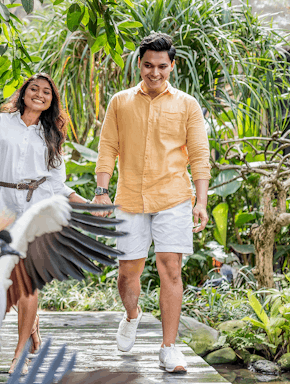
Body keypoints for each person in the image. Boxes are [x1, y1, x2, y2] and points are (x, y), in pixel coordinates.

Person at [92, 32, 211, 373]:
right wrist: (102, 192)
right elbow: (107, 149)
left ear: (172, 66)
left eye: (161, 66)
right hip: (129, 198)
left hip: (173, 196)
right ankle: (132, 315)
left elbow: (200, 156)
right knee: (128, 273)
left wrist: (200, 202)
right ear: (139, 64)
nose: (154, 72)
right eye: (148, 65)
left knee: (170, 268)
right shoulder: (119, 102)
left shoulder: (187, 105)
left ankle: (169, 348)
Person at [0, 73, 88, 374]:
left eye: (46, 92)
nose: (39, 95)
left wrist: (88, 207)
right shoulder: (0, 123)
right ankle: (33, 329)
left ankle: (20, 354)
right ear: (24, 93)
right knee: (4, 276)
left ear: (51, 100)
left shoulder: (51, 134)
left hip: (36, 206)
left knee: (28, 281)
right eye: (34, 89)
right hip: (2, 203)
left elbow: (58, 184)